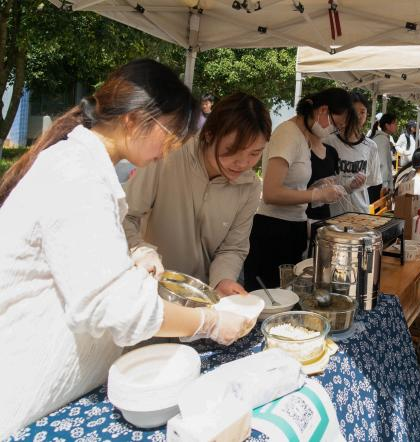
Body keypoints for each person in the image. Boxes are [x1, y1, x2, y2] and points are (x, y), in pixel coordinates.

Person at [0, 59, 255, 438]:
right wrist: (210, 322)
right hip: (26, 394)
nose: (167, 152)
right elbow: (119, 307)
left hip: (59, 393)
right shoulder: (76, 174)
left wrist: (135, 253)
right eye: (170, 136)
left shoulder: (85, 167)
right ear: (135, 120)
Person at [123, 92, 271, 296]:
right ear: (209, 134)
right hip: (147, 287)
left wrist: (223, 280)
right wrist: (140, 250)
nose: (243, 163)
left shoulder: (250, 186)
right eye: (232, 150)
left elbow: (232, 248)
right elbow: (124, 215)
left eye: (255, 153)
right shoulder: (168, 153)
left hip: (200, 296)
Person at [243, 88, 356, 291]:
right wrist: (316, 194)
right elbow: (271, 193)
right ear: (323, 111)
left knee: (289, 295)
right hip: (273, 232)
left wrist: (317, 187)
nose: (333, 131)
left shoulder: (304, 137)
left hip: (293, 228)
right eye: (335, 125)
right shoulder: (287, 134)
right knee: (271, 298)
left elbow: (293, 187)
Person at [324, 92, 382, 215]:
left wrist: (358, 184)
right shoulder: (329, 142)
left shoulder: (371, 146)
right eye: (355, 111)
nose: (359, 116)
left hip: (360, 211)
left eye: (363, 112)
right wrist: (346, 185)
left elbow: (372, 181)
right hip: (333, 212)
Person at [369, 112, 398, 198]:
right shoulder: (382, 140)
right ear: (387, 125)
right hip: (379, 185)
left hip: (375, 182)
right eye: (394, 123)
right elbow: (383, 164)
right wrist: (385, 184)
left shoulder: (381, 138)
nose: (396, 126)